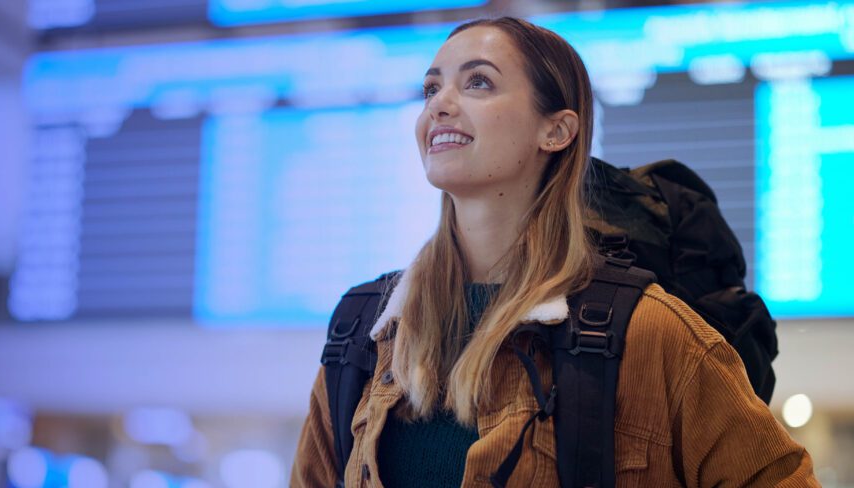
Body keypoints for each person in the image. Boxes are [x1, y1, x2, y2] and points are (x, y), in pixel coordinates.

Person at [289, 17, 819, 487]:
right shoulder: (365, 330)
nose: (440, 105)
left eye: (478, 82)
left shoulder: (646, 330)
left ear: (556, 130)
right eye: (431, 89)